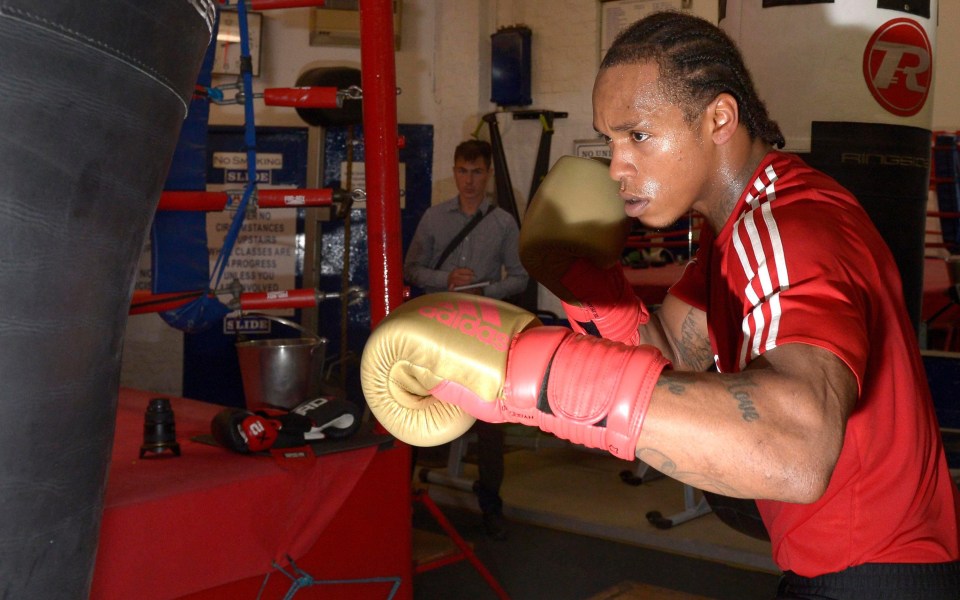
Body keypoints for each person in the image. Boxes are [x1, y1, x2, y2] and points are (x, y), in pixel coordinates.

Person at [363, 11, 960, 597]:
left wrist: (523, 371)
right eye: (609, 139)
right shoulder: (738, 234)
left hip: (878, 576)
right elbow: (669, 354)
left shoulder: (788, 228)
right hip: (841, 568)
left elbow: (796, 446)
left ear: (718, 118)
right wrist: (587, 285)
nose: (617, 167)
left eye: (638, 135)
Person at [403, 138, 528, 540]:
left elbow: (522, 278)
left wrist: (483, 292)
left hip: (482, 333)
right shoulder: (434, 218)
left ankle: (491, 504)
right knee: (416, 411)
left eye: (476, 172)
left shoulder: (504, 223)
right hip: (437, 330)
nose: (469, 181)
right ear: (453, 171)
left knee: (492, 423)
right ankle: (401, 497)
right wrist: (445, 281)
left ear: (488, 174)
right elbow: (412, 269)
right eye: (462, 171)